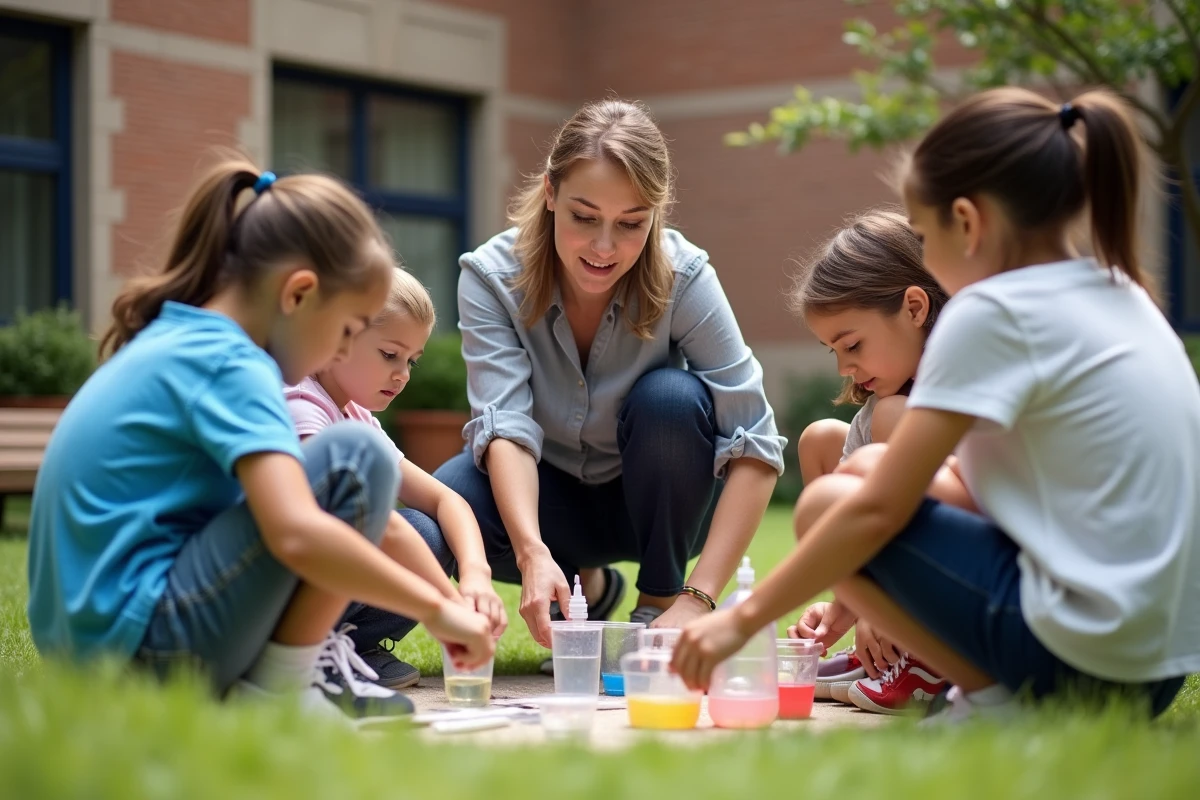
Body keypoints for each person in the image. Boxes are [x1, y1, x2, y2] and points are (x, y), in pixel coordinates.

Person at [671, 88, 1200, 723]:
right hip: (1155, 671)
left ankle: (993, 701)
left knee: (831, 504)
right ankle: (986, 689)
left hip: (1081, 665)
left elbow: (875, 513)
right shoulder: (1119, 293)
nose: (924, 255)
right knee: (866, 471)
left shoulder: (993, 311)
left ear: (970, 223)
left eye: (922, 234)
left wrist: (741, 622)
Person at [26, 158, 493, 726]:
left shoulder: (190, 338)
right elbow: (294, 531)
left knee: (350, 455)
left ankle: (270, 679)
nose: (340, 353)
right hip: (140, 652)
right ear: (298, 294)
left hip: (93, 652)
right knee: (355, 457)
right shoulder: (232, 363)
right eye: (346, 330)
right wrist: (439, 610)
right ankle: (282, 689)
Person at [433, 99, 786, 656]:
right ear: (550, 193)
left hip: (658, 504)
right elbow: (506, 427)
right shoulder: (490, 276)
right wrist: (531, 552)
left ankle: (658, 601)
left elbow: (757, 444)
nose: (604, 247)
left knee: (671, 399)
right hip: (544, 502)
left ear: (656, 214)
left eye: (631, 224)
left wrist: (697, 598)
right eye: (584, 216)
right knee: (441, 505)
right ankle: (586, 586)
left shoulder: (685, 275)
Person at [285, 266, 508, 690]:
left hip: (328, 581)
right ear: (339, 335)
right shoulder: (301, 405)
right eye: (390, 355)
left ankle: (352, 647)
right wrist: (449, 604)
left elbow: (449, 501)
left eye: (411, 361)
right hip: (283, 590)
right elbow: (371, 527)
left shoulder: (356, 414)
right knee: (408, 533)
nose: (403, 374)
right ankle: (312, 651)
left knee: (428, 529)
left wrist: (476, 574)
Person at [789, 208, 959, 714]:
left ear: (914, 308)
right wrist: (845, 608)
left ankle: (922, 650)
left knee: (889, 423)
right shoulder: (877, 411)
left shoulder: (944, 393)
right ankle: (884, 645)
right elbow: (856, 520)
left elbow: (916, 514)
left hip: (966, 579)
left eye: (853, 344)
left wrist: (885, 601)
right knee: (821, 438)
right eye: (833, 352)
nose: (845, 367)